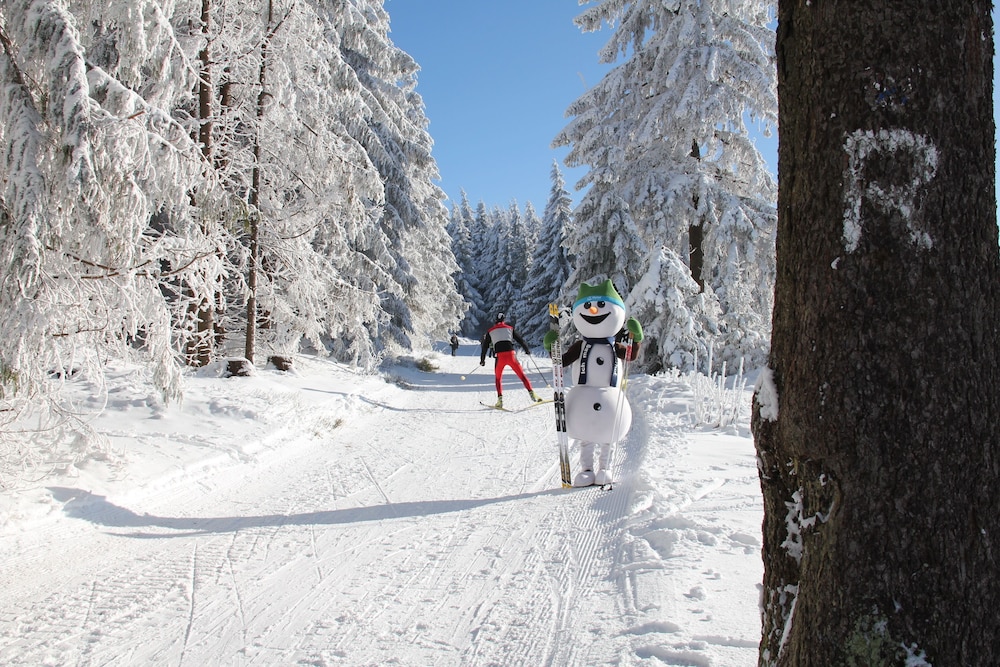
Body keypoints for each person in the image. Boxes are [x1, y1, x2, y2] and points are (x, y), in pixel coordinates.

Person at [480, 313, 542, 409]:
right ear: (504, 320)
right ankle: (532, 393)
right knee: (522, 376)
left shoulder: (490, 331)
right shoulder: (509, 328)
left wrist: (482, 360)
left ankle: (500, 400)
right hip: (511, 355)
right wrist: (527, 350)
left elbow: (485, 347)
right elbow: (520, 340)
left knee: (498, 379)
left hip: (500, 357)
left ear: (495, 320)